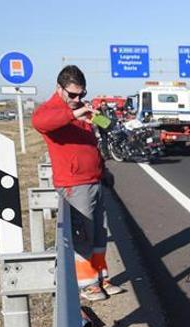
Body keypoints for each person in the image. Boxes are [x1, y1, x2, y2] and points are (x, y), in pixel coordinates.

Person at [32, 65, 123, 301]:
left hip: (94, 180)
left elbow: (92, 142)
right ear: (59, 89)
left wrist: (103, 170)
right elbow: (40, 122)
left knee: (99, 235)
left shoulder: (81, 110)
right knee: (83, 235)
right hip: (75, 184)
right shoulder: (52, 110)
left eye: (81, 94)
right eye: (72, 94)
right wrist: (74, 114)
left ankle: (102, 277)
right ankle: (88, 284)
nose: (77, 99)